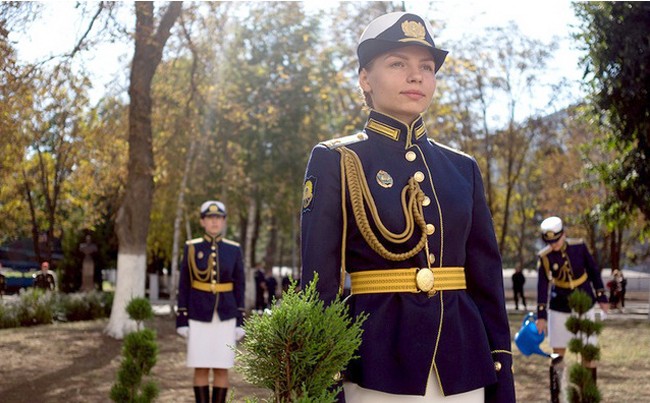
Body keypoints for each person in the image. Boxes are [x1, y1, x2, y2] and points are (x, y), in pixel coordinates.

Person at [300, 11, 515, 402]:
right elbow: (319, 280)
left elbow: (486, 278)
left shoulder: (462, 168)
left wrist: (501, 365)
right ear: (366, 79)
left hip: (463, 364)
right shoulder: (337, 159)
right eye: (398, 63)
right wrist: (322, 375)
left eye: (426, 66)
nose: (416, 76)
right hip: (376, 362)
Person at [176, 200, 246, 403]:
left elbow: (239, 286)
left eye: (219, 218)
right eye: (210, 218)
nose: (214, 222)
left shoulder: (233, 250)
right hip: (198, 314)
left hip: (225, 315)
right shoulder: (191, 248)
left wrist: (240, 319)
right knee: (201, 366)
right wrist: (182, 317)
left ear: (224, 221)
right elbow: (184, 284)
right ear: (202, 221)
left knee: (222, 367)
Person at [535, 216, 609, 385]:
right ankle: (559, 394)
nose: (553, 244)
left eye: (556, 240)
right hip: (559, 307)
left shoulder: (579, 247)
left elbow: (593, 271)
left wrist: (601, 297)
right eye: (550, 241)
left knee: (588, 351)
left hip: (585, 303)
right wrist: (541, 315)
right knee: (558, 353)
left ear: (564, 234)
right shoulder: (544, 257)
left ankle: (587, 392)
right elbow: (542, 285)